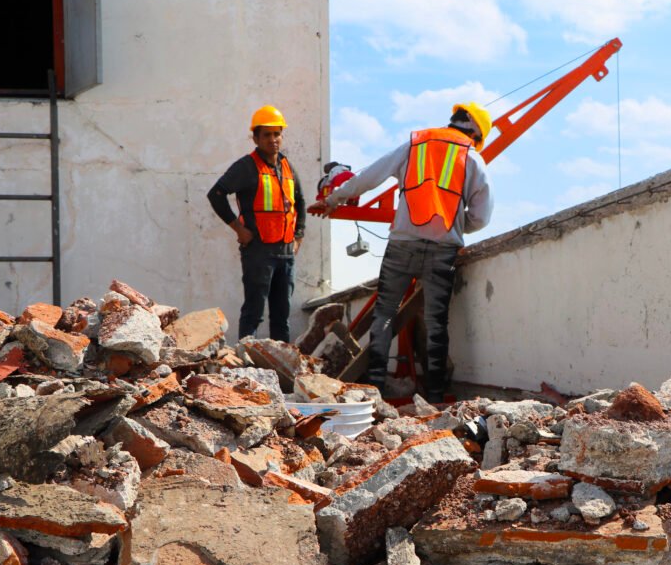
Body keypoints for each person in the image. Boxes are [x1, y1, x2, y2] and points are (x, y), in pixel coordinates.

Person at [308, 102, 494, 402]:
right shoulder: (472, 157)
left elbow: (370, 177)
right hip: (443, 249)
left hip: (402, 243)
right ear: (476, 133)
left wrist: (334, 199)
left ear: (454, 120)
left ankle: (376, 391)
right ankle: (435, 395)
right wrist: (456, 226)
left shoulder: (416, 143)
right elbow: (482, 217)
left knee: (384, 315)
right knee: (436, 323)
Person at [208, 105, 305, 342]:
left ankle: (281, 360)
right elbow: (216, 194)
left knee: (282, 314)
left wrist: (298, 237)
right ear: (256, 138)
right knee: (254, 311)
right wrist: (239, 229)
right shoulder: (246, 167)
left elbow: (300, 202)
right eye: (267, 135)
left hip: (285, 253)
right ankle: (245, 357)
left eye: (277, 134)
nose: (273, 139)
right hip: (259, 252)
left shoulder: (287, 166)